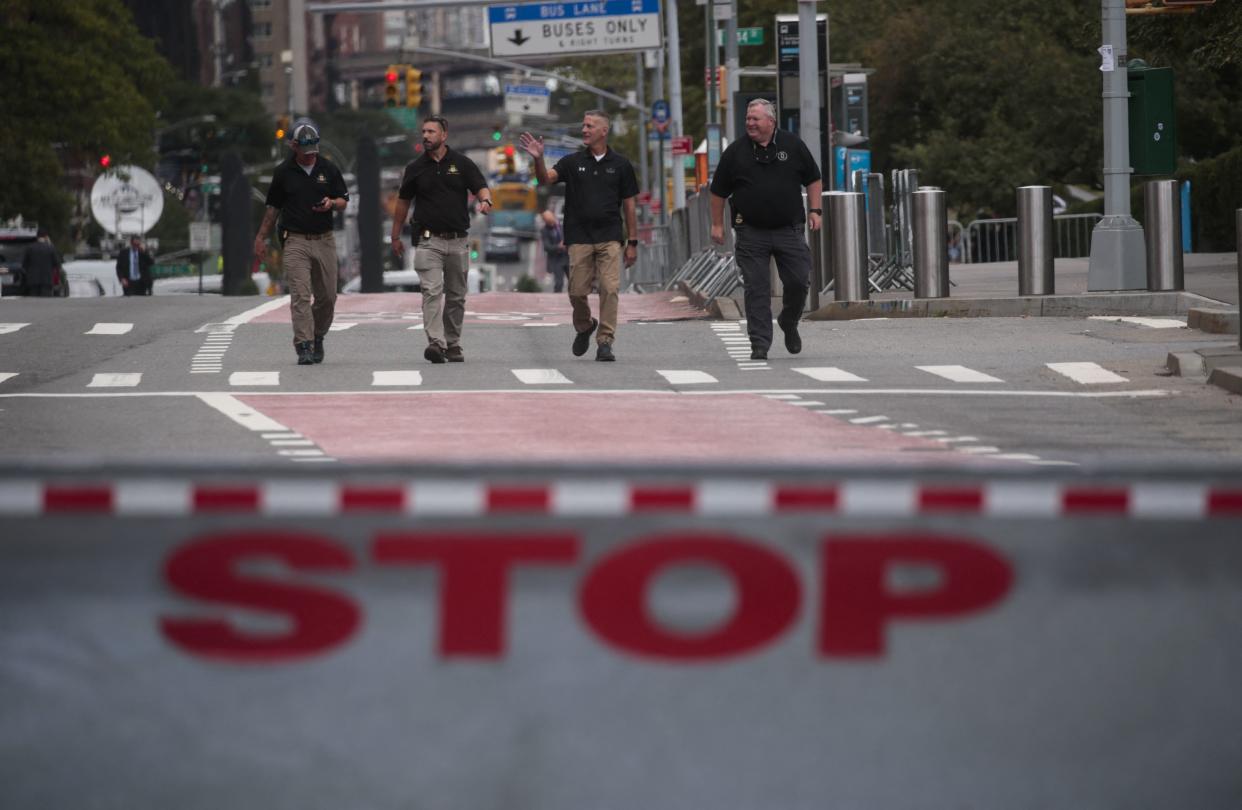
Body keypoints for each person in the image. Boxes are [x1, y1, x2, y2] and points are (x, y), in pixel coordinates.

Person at [519, 110, 638, 362]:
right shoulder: (571, 162)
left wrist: (632, 243)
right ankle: (585, 326)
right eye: (583, 125)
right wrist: (538, 159)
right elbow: (545, 179)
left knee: (609, 288)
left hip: (610, 237)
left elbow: (629, 206)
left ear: (604, 131)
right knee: (576, 291)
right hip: (579, 237)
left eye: (590, 126)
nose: (584, 130)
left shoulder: (621, 165)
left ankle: (605, 341)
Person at [709, 98, 822, 360]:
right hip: (751, 231)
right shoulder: (735, 152)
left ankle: (788, 320)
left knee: (798, 281)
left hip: (789, 228)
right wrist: (717, 224)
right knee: (756, 287)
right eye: (748, 119)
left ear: (771, 122)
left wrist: (816, 211)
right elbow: (718, 192)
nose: (749, 123)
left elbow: (814, 179)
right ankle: (759, 343)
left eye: (755, 119)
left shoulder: (793, 145)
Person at [392, 115, 492, 364]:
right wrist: (395, 235)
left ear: (444, 135)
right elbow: (403, 202)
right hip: (428, 242)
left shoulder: (462, 163)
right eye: (423, 132)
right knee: (431, 291)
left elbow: (480, 185)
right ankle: (436, 344)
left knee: (457, 295)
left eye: (431, 132)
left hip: (458, 241)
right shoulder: (415, 168)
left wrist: (485, 200)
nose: (425, 136)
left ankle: (453, 343)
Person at [254, 118, 349, 366]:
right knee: (301, 296)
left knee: (328, 296)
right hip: (295, 240)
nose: (310, 157)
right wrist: (261, 237)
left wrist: (331, 203)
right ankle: (304, 345)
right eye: (305, 152)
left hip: (324, 239)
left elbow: (343, 201)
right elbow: (273, 209)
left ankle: (317, 336)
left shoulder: (328, 169)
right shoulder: (283, 173)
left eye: (313, 152)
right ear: (293, 146)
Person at [21, 228, 62, 297]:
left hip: (33, 281)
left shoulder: (30, 248)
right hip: (47, 281)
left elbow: (24, 265)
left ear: (37, 236)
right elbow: (57, 264)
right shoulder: (50, 248)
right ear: (46, 236)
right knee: (45, 304)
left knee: (33, 302)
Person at [539, 208, 568, 293]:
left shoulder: (563, 225)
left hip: (568, 257)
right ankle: (556, 298)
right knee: (559, 283)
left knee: (576, 282)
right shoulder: (545, 230)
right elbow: (547, 247)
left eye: (552, 220)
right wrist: (559, 247)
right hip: (556, 260)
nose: (552, 224)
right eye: (549, 222)